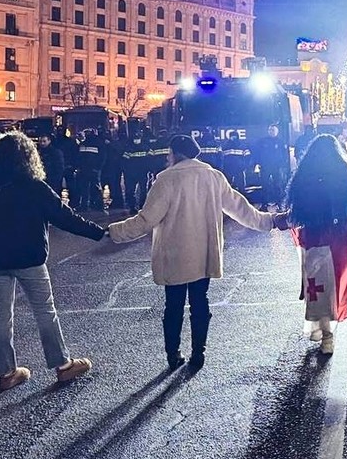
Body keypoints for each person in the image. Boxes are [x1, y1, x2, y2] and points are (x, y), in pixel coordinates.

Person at [0, 131, 103, 390]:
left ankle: (7, 373)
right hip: (30, 258)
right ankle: (62, 365)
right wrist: (99, 233)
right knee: (45, 310)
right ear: (29, 158)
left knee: (1, 315)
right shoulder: (35, 187)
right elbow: (65, 217)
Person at [108, 135, 285, 369]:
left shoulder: (166, 179)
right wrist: (269, 221)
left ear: (175, 153)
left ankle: (174, 355)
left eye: (169, 153)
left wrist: (113, 233)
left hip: (174, 254)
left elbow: (146, 220)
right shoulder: (213, 176)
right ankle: (198, 353)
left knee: (173, 306)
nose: (167, 157)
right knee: (200, 302)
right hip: (203, 253)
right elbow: (240, 208)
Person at [286, 134, 347, 355]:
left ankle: (322, 330)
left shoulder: (304, 176)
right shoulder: (346, 173)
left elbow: (295, 210)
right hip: (338, 240)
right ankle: (327, 335)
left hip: (314, 239)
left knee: (317, 289)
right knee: (335, 287)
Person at [255, 124, 290, 207]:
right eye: (270, 130)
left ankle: (279, 202)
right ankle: (264, 203)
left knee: (277, 184)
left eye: (273, 130)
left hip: (276, 167)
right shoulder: (263, 142)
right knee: (264, 185)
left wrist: (283, 165)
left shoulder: (280, 142)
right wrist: (258, 163)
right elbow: (258, 153)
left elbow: (284, 154)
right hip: (265, 166)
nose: (271, 132)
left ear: (277, 132)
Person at [122, 132, 151, 215]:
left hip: (142, 172)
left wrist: (148, 169)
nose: (136, 140)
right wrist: (126, 171)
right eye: (135, 138)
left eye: (137, 138)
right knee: (131, 191)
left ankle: (142, 206)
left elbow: (150, 159)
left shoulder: (146, 147)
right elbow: (124, 161)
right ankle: (132, 207)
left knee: (143, 190)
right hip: (132, 173)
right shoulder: (129, 148)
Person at [74, 130, 104, 211]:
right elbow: (79, 157)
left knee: (95, 187)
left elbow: (102, 157)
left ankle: (98, 205)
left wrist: (98, 168)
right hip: (84, 170)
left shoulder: (98, 144)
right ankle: (85, 205)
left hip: (93, 170)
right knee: (84, 188)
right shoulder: (83, 144)